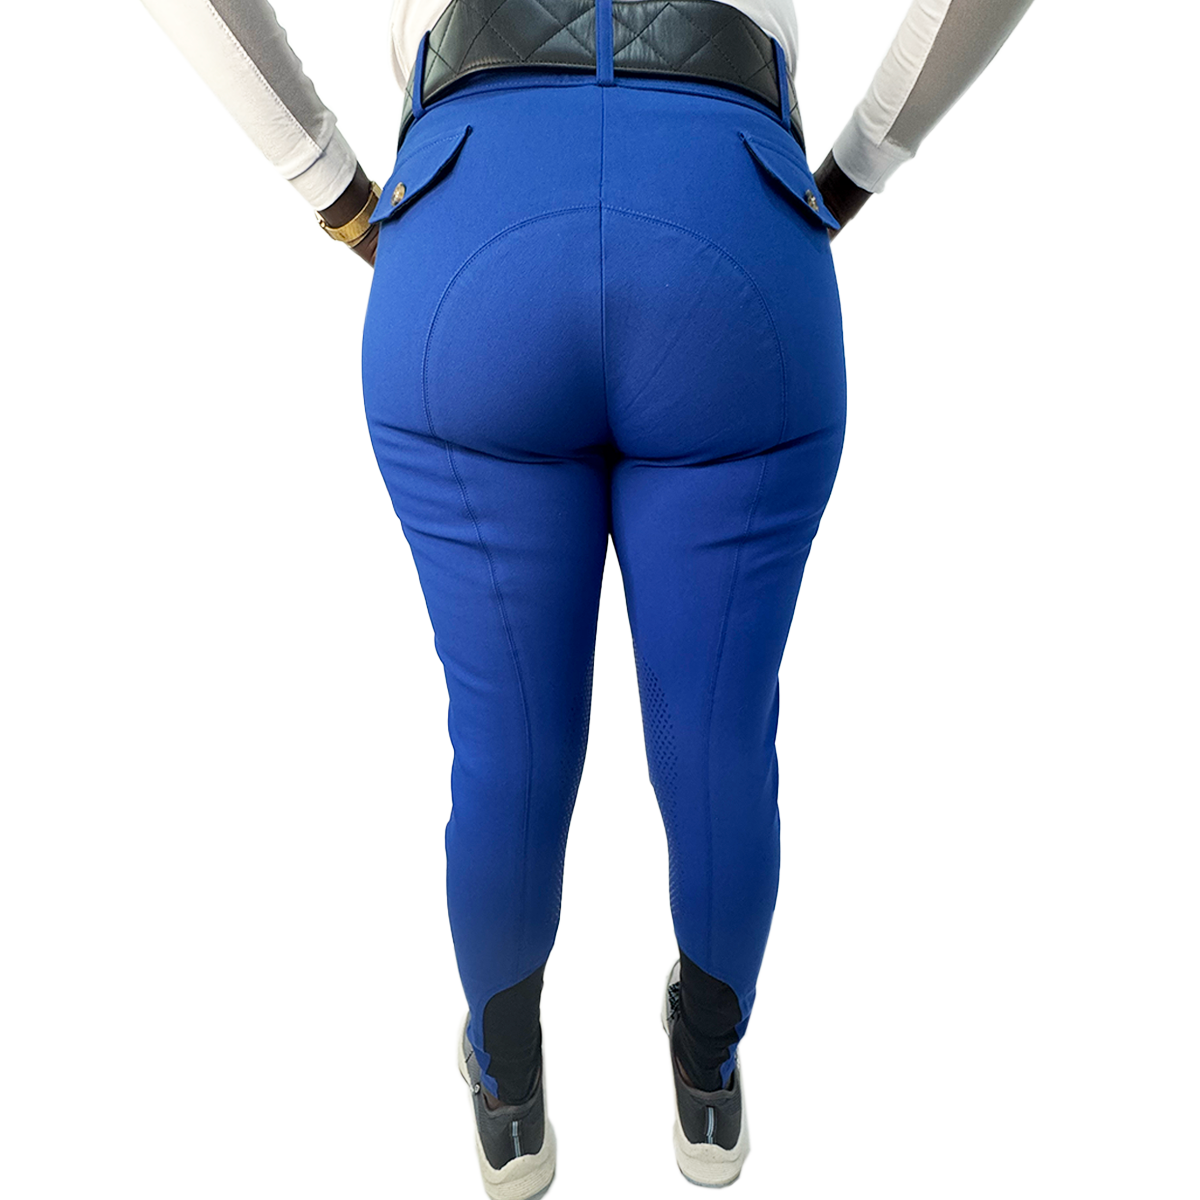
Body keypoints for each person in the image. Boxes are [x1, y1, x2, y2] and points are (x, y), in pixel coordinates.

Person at [138, 0, 1037, 1194]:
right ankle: (707, 1070)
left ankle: (508, 1087)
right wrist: (862, 158)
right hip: (730, 217)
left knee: (507, 745)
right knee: (716, 740)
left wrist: (333, 183)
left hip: (472, 220)